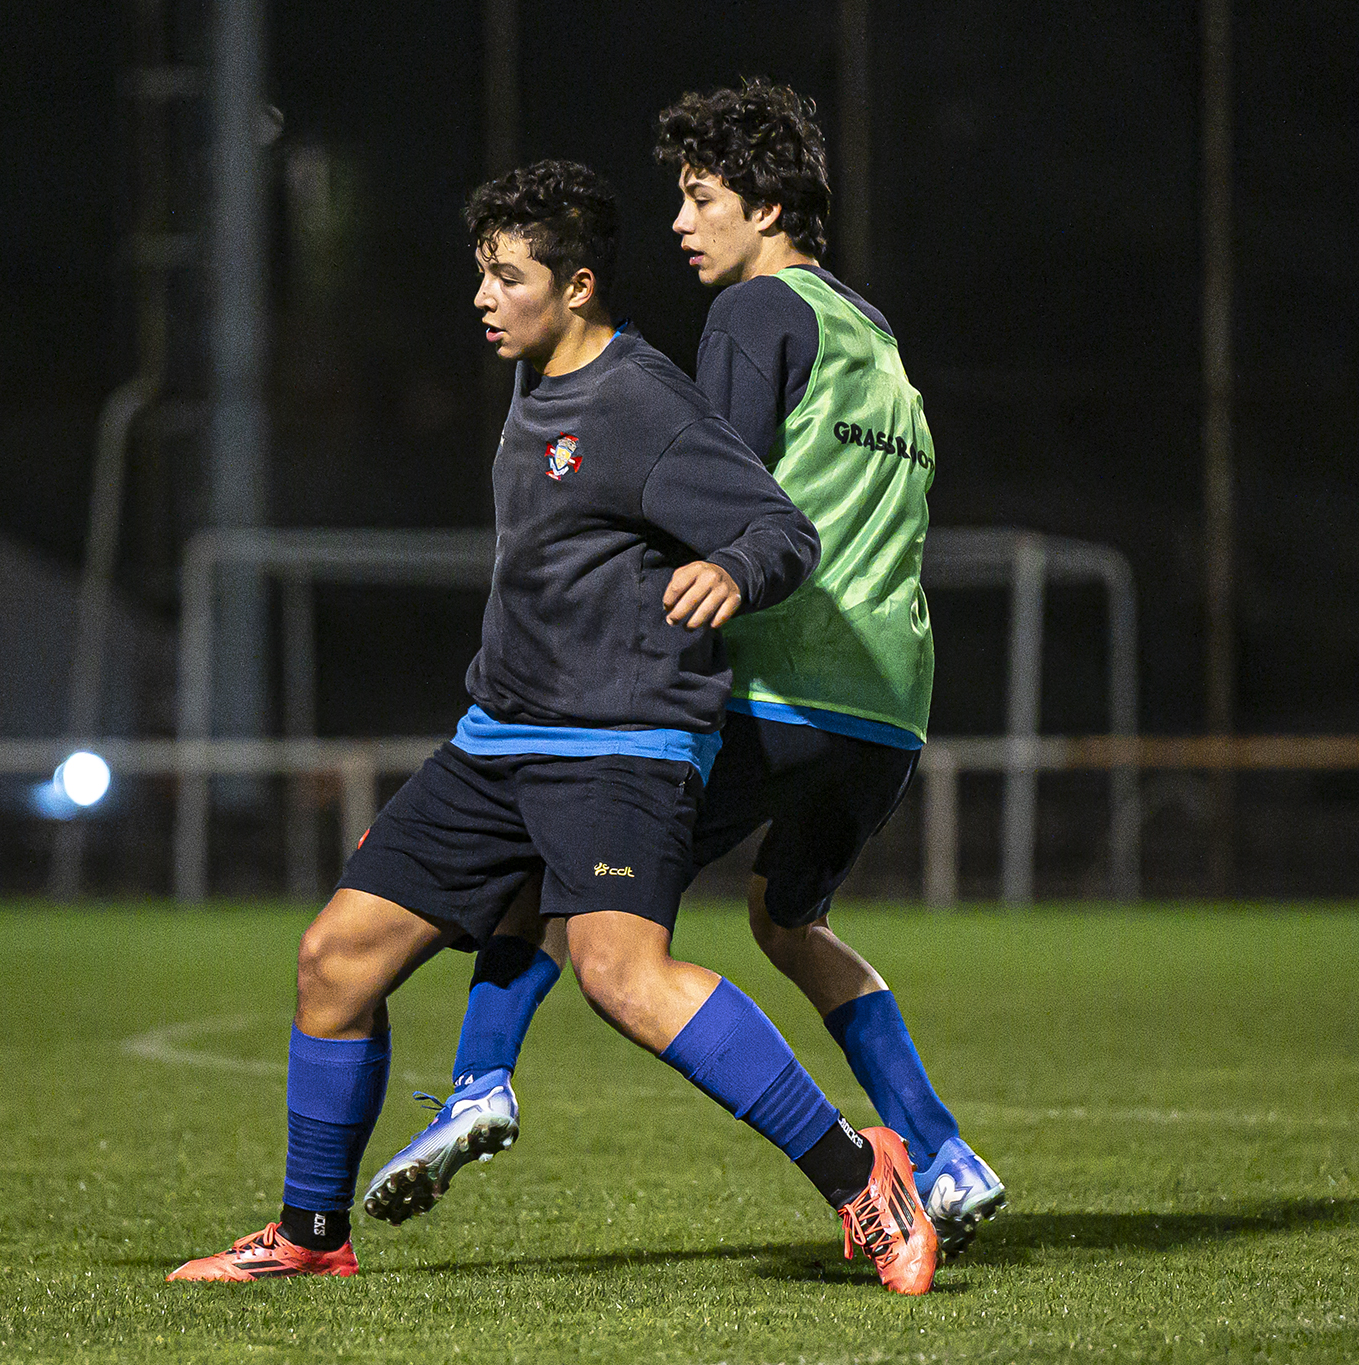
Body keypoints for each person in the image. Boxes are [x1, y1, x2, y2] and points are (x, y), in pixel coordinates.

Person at [169, 161, 936, 1294]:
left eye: (507, 277)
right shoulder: (534, 381)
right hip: (497, 740)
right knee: (334, 960)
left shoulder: (643, 404)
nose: (483, 298)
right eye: (478, 275)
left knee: (621, 977)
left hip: (621, 739)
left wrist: (729, 566)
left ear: (576, 286)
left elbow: (779, 528)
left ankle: (860, 1174)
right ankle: (309, 1235)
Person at [365, 82, 1004, 1257]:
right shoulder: (872, 332)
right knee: (788, 919)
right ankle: (946, 1152)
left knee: (562, 866)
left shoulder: (754, 316)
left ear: (764, 208)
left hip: (776, 684)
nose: (678, 223)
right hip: (888, 706)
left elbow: (705, 477)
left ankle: (479, 1082)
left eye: (700, 198)